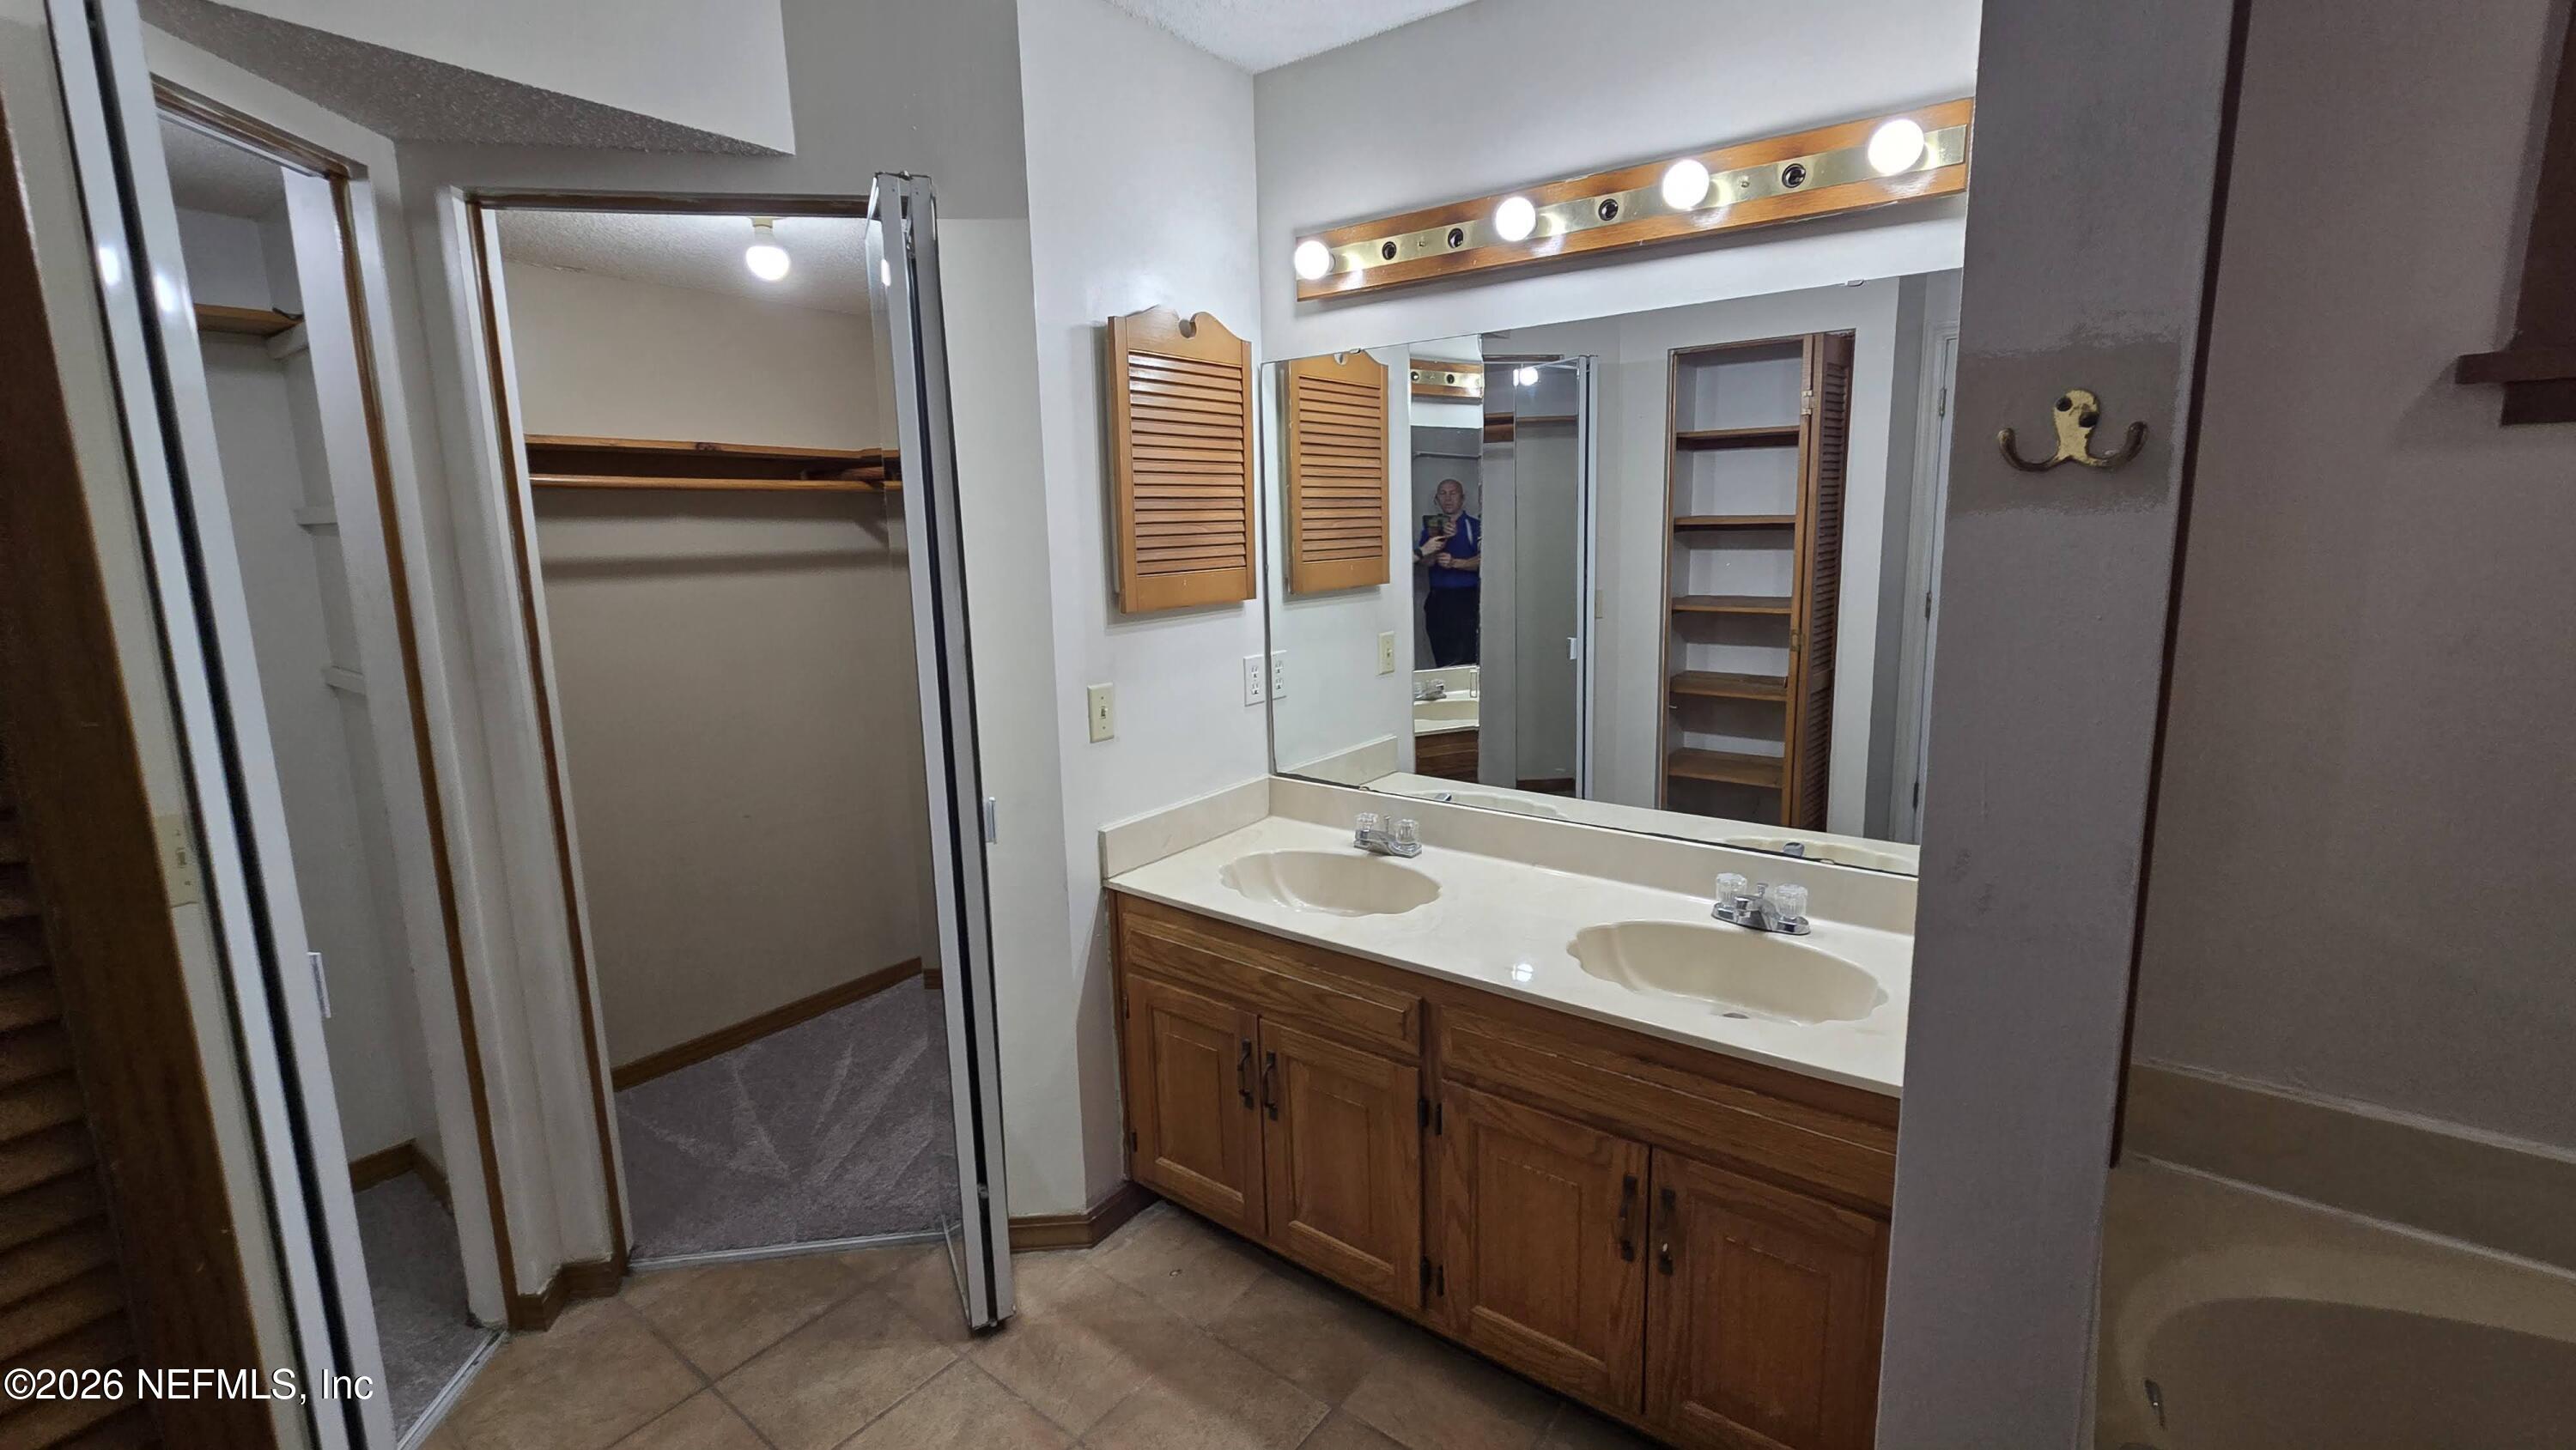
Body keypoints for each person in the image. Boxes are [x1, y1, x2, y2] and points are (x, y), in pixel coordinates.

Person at [1415, 476, 1480, 666]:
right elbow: (1422, 561)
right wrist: (1435, 552)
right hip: (1438, 599)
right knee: (1442, 654)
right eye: (1442, 494)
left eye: (1453, 493)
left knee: (1466, 656)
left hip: (1466, 600)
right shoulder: (1430, 529)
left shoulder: (1474, 526)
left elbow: (1487, 561)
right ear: (1436, 499)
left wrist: (1456, 563)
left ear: (1462, 498)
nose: (1448, 498)